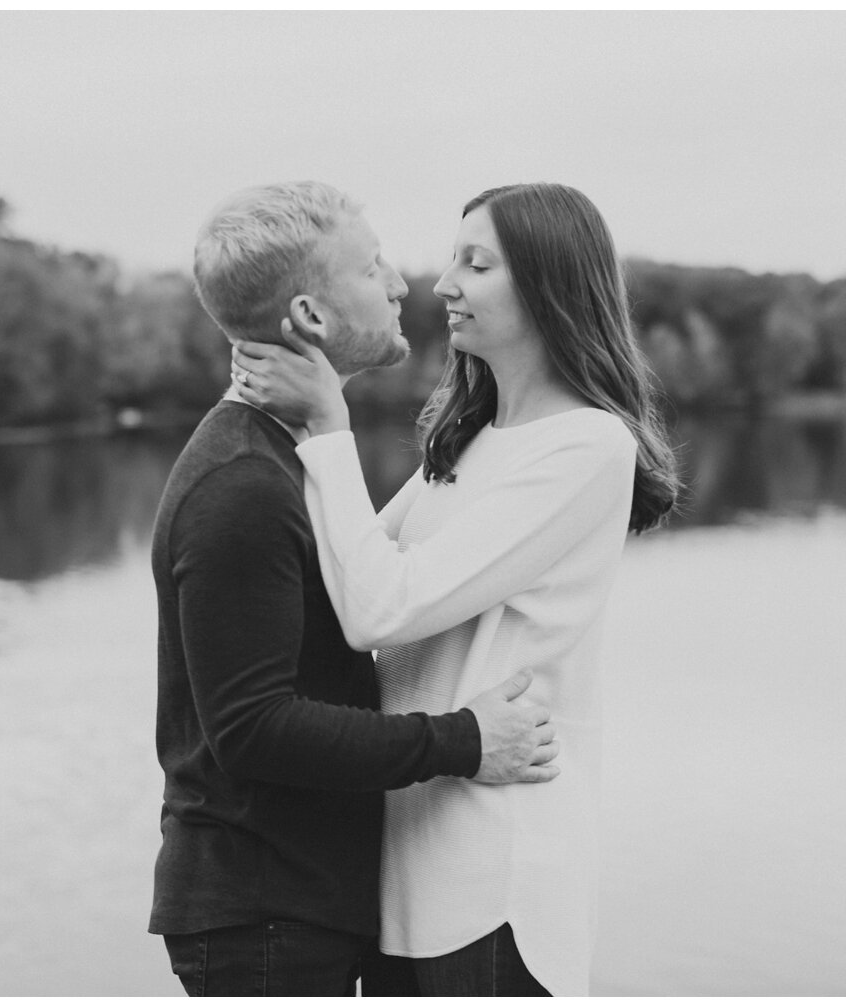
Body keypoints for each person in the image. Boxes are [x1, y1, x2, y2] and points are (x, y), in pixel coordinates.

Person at [229, 182, 680, 996]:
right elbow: (348, 568)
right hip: (403, 877)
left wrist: (331, 427)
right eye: (451, 259)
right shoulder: (471, 439)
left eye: (477, 264)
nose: (443, 284)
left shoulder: (585, 447)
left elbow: (378, 609)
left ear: (548, 286)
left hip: (492, 883)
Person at [148, 181, 564, 997]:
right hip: (263, 923)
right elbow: (256, 730)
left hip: (296, 909)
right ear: (311, 317)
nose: (404, 284)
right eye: (374, 270)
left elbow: (393, 575)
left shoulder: (285, 458)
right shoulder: (242, 485)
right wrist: (465, 740)